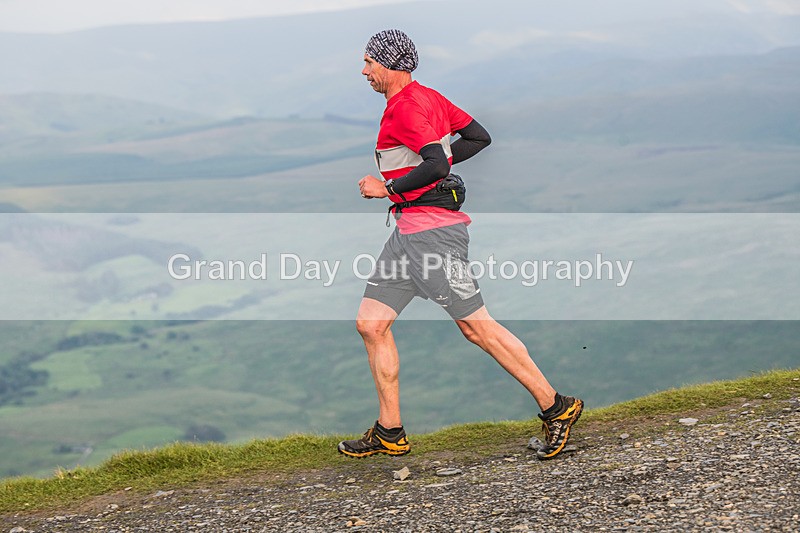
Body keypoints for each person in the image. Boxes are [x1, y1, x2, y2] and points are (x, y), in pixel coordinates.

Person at [338, 29, 582, 461]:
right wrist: (430, 173)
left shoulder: (407, 108)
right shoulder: (429, 98)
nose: (364, 71)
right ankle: (390, 431)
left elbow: (434, 162)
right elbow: (477, 138)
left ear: (391, 65)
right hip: (408, 235)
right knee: (371, 323)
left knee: (476, 326)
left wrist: (388, 188)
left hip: (433, 235)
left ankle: (557, 406)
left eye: (370, 62)